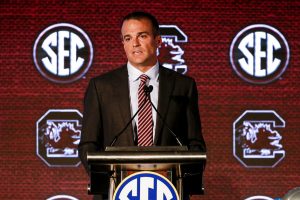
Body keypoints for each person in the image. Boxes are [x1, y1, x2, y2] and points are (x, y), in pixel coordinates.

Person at [78, 11, 206, 199]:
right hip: (117, 191)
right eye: (127, 38)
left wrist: (179, 179)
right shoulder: (101, 87)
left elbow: (195, 145)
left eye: (142, 36)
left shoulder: (183, 85)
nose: (134, 44)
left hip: (169, 191)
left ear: (158, 40)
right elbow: (88, 145)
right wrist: (112, 181)